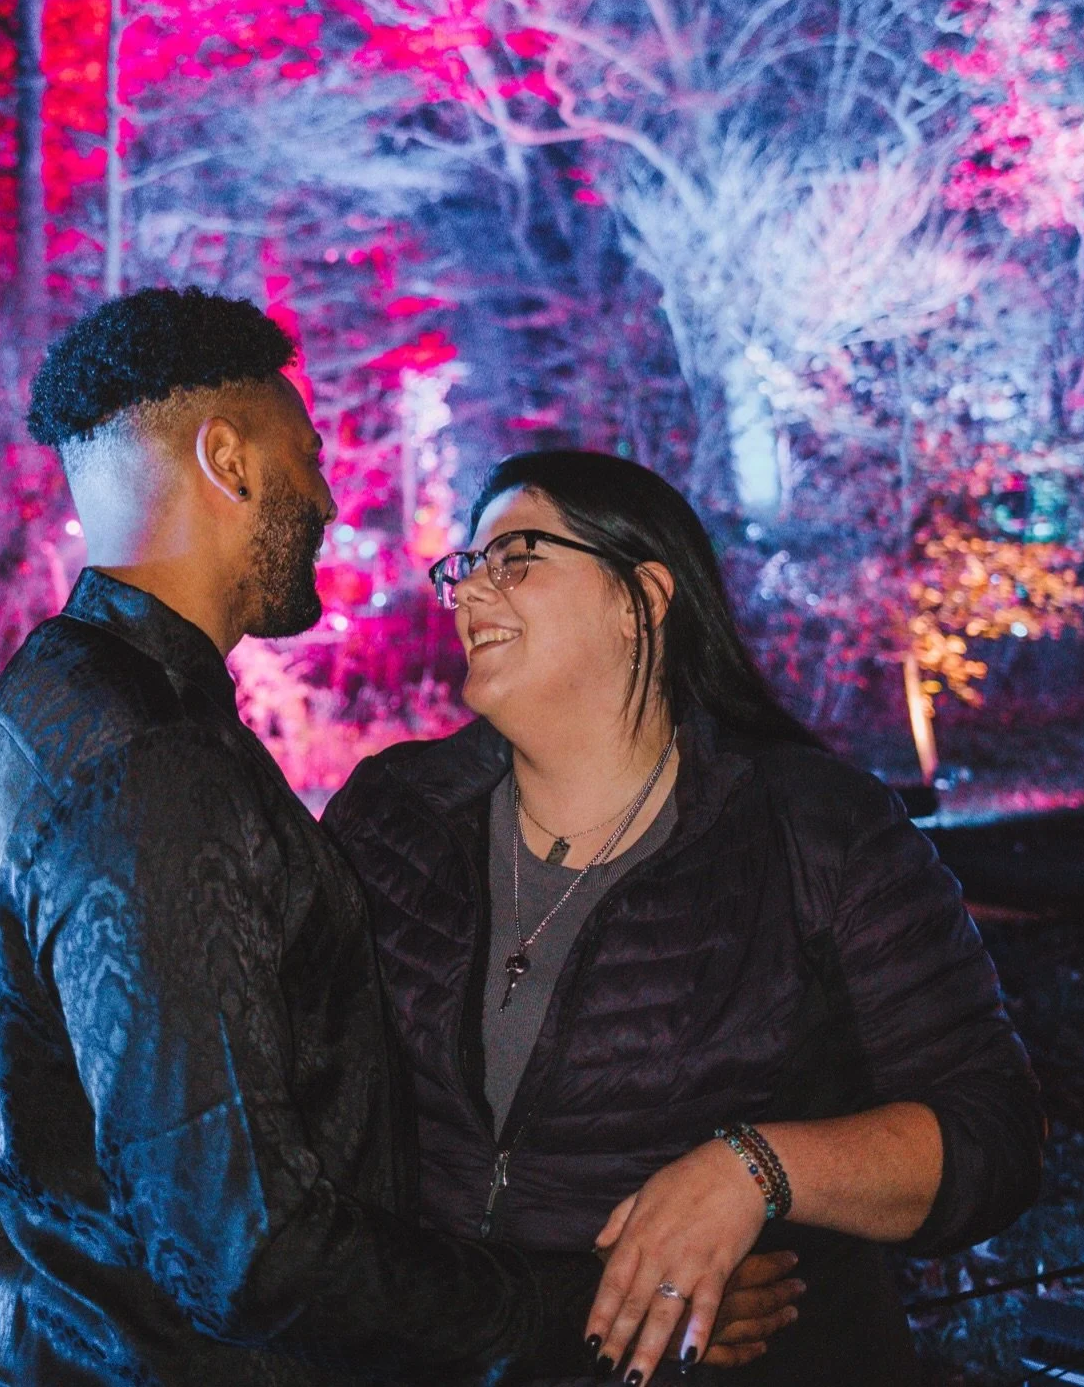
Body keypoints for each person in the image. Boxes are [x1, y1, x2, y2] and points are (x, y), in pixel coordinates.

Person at [0, 293, 794, 1387]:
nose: (331, 499)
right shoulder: (155, 765)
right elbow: (244, 1252)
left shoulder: (47, 697)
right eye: (306, 457)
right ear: (229, 460)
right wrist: (578, 1309)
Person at [323, 449, 1045, 1387]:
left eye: (518, 555)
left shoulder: (813, 826)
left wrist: (755, 1168)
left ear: (643, 597)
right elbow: (310, 1120)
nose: (467, 592)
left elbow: (993, 1132)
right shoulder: (391, 819)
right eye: (465, 566)